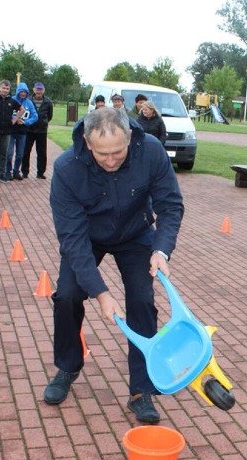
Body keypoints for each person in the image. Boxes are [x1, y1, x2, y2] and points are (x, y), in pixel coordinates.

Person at [45, 107, 184, 425]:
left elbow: (170, 204)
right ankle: (68, 366)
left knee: (141, 301)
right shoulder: (67, 168)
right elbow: (72, 239)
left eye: (117, 152)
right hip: (88, 238)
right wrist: (100, 292)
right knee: (67, 295)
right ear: (86, 141)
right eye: (102, 154)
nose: (110, 161)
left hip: (135, 234)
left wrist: (161, 250)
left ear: (130, 137)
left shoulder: (150, 150)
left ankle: (141, 390)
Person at [0, 80, 23, 181]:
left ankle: (2, 174)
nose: (5, 90)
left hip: (6, 132)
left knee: (4, 154)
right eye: (3, 88)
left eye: (7, 89)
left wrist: (14, 120)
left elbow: (22, 109)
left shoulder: (11, 101)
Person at [6, 82, 38, 181]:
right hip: (11, 131)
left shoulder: (29, 103)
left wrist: (25, 122)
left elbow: (35, 116)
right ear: (18, 91)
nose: (23, 93)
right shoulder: (12, 100)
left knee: (20, 154)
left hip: (23, 132)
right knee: (9, 153)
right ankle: (8, 172)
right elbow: (6, 113)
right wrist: (15, 119)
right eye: (21, 91)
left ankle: (16, 172)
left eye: (25, 92)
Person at [22, 82, 54, 179]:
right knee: (26, 151)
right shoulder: (28, 100)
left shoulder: (48, 102)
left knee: (42, 153)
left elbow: (49, 116)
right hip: (29, 130)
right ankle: (25, 172)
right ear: (34, 90)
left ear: (43, 90)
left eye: (41, 89)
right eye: (37, 89)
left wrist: (43, 122)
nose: (39, 91)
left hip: (42, 131)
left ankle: (40, 173)